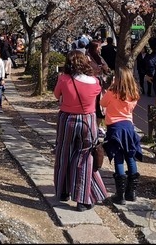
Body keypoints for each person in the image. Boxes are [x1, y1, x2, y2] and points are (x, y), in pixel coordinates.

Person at [53, 50, 108, 212]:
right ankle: (83, 199)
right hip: (88, 121)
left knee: (64, 153)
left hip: (67, 119)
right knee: (85, 157)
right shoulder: (95, 82)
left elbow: (57, 95)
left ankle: (63, 191)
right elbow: (97, 97)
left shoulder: (63, 79)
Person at [101, 67, 143, 205]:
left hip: (115, 127)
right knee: (130, 156)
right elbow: (131, 108)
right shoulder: (134, 93)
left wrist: (111, 86)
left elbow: (102, 103)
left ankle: (120, 195)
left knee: (118, 157)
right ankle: (132, 192)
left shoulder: (113, 92)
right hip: (129, 127)